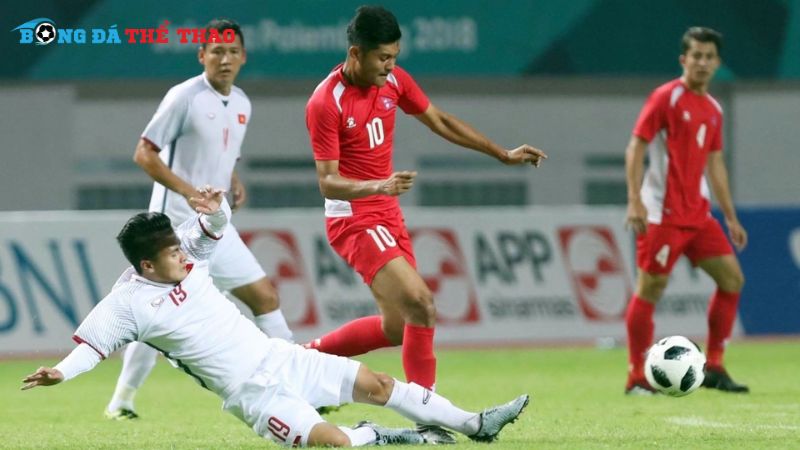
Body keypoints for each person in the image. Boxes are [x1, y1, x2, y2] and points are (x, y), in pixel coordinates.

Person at [21, 187, 529, 447]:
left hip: (278, 358)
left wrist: (216, 209)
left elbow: (215, 228)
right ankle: (380, 435)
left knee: (376, 382)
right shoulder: (127, 303)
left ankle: (476, 424)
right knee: (335, 444)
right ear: (147, 265)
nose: (183, 255)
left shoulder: (188, 258)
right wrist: (59, 372)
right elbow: (92, 347)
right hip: (251, 395)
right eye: (171, 254)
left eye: (180, 247)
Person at [304, 5, 545, 439]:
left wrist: (501, 153)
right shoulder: (327, 101)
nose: (390, 66)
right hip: (354, 217)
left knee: (399, 325)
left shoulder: (395, 81)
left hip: (386, 211)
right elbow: (328, 182)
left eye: (395, 56)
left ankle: (301, 360)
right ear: (355, 53)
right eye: (382, 58)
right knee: (422, 303)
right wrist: (378, 187)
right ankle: (432, 421)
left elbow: (440, 120)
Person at [105, 18, 294, 419]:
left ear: (243, 57)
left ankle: (295, 386)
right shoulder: (184, 97)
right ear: (202, 55)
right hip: (173, 230)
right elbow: (144, 153)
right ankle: (121, 400)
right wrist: (190, 192)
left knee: (265, 298)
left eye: (231, 52)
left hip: (215, 226)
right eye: (216, 51)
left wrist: (234, 178)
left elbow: (223, 153)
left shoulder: (242, 102)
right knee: (156, 314)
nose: (224, 60)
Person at [623, 27, 748, 395]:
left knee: (732, 281)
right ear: (684, 59)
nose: (703, 63)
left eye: (710, 57)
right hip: (662, 214)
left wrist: (729, 215)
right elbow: (636, 147)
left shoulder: (713, 109)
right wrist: (635, 199)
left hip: (699, 215)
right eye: (696, 56)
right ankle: (636, 376)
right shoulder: (666, 97)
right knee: (650, 289)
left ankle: (716, 365)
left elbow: (716, 164)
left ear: (718, 63)